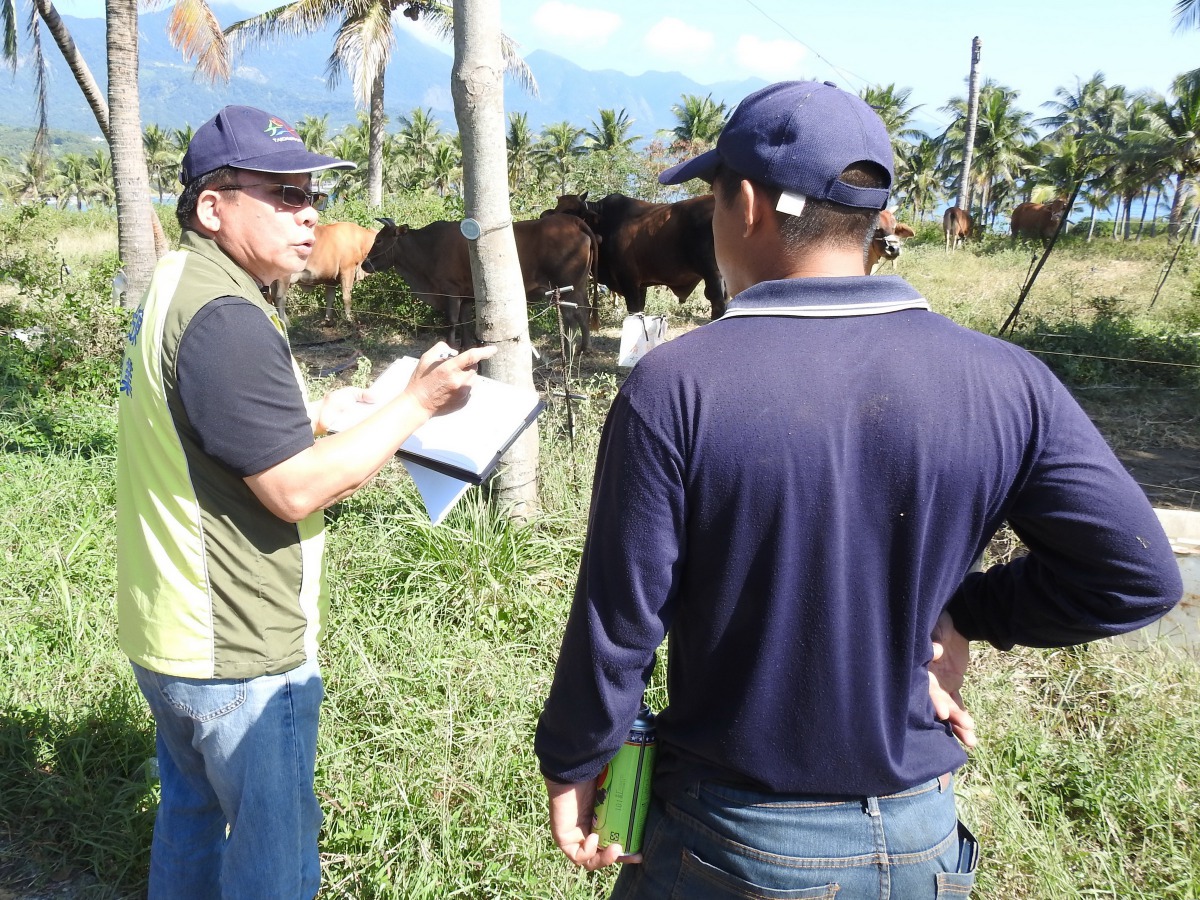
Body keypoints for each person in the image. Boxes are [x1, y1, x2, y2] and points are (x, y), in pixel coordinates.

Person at [533, 80, 1182, 898]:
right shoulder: (1008, 381)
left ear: (746, 204)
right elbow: (1138, 578)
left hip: (736, 841)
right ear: (873, 217)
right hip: (924, 839)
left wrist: (576, 756)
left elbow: (619, 617)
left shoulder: (678, 385)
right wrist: (964, 613)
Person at [116, 104, 494, 899]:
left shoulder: (184, 281)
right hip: (238, 643)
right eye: (283, 195)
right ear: (213, 207)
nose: (311, 212)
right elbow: (295, 489)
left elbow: (203, 422)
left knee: (190, 822)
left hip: (169, 623)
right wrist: (415, 404)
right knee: (273, 864)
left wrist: (314, 416)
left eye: (311, 193)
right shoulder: (229, 319)